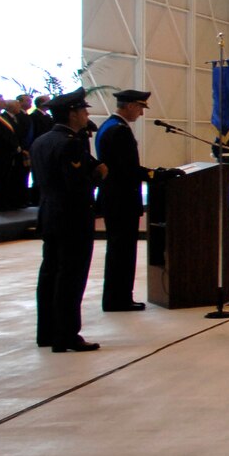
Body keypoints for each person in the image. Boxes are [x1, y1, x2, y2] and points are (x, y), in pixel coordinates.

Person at [30, 90, 106, 351]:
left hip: (49, 214)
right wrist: (97, 176)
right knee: (71, 277)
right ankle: (67, 335)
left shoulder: (41, 141)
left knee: (50, 273)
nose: (86, 115)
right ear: (72, 113)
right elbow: (76, 185)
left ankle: (47, 332)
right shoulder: (71, 143)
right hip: (72, 217)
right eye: (84, 111)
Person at [94, 89, 156, 312]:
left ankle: (116, 296)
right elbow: (126, 169)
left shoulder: (108, 126)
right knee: (122, 251)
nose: (141, 113)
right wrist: (153, 175)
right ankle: (118, 298)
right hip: (121, 198)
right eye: (140, 108)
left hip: (113, 197)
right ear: (129, 106)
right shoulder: (119, 131)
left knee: (118, 249)